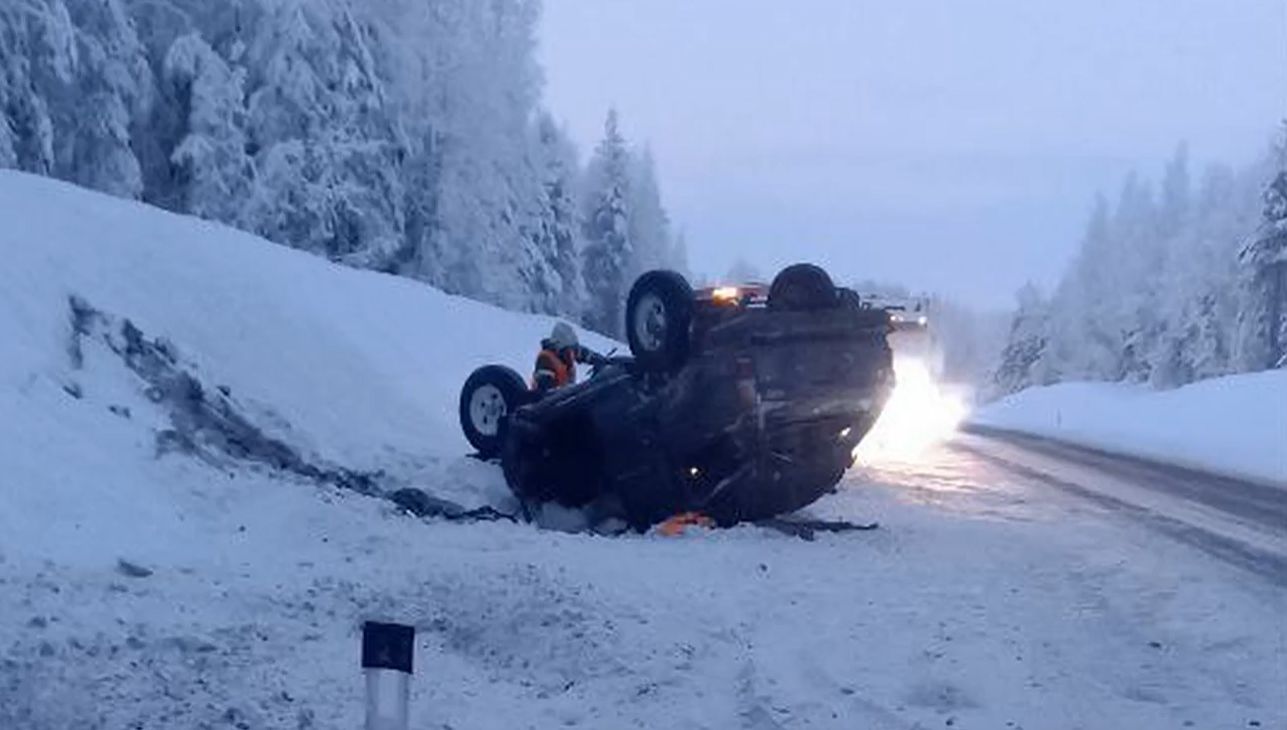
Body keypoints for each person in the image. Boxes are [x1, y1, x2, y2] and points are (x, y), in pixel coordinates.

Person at [533, 322, 599, 393]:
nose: (572, 354)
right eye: (568, 350)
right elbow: (546, 392)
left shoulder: (567, 352)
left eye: (573, 350)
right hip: (554, 402)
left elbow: (583, 353)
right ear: (558, 347)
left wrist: (600, 360)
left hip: (570, 398)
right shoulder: (545, 361)